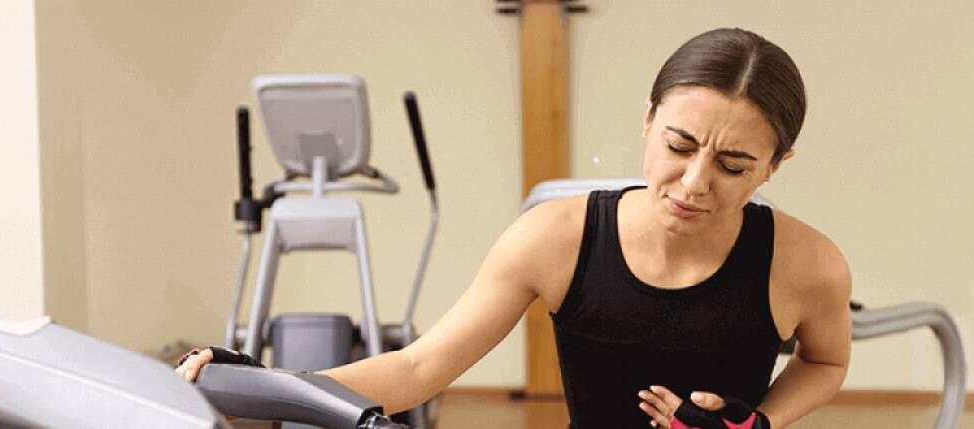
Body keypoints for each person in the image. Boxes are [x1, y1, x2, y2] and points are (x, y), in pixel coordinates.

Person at [177, 27, 851, 429]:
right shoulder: (553, 238)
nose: (695, 182)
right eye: (678, 146)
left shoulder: (806, 262)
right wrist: (266, 384)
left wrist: (758, 420)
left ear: (775, 164)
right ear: (648, 121)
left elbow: (826, 360)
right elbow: (418, 365)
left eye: (734, 164)